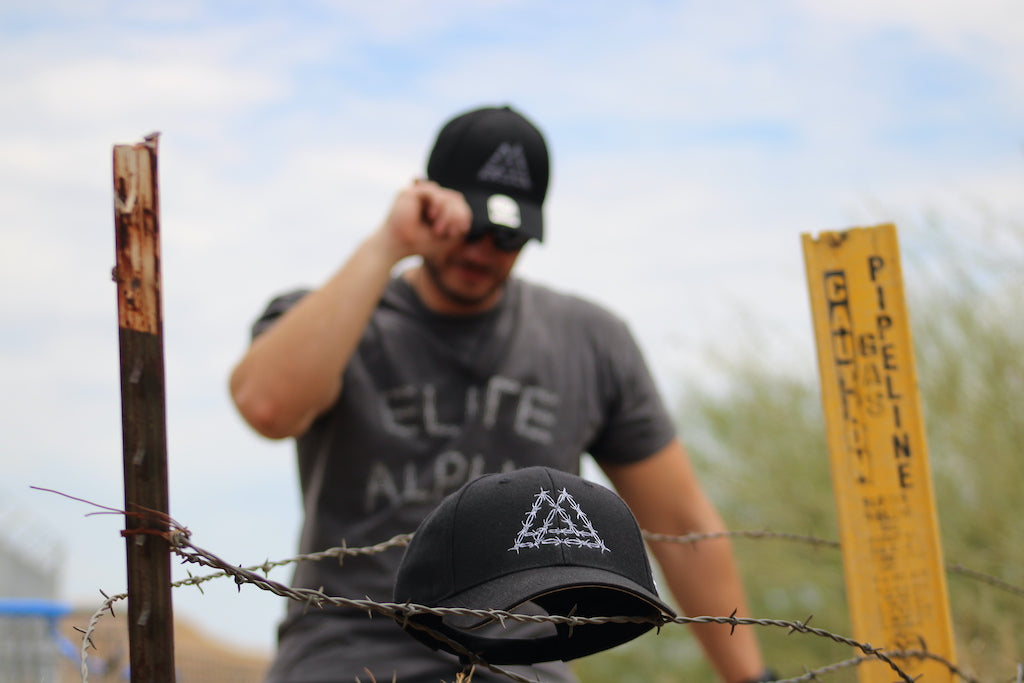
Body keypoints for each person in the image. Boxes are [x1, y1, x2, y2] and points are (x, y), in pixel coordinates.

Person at [229, 105, 771, 683]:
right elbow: (268, 407)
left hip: (525, 663)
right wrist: (389, 244)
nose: (482, 251)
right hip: (348, 657)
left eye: (508, 235)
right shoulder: (335, 318)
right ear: (426, 201)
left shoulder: (589, 341)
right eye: (470, 225)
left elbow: (682, 525)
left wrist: (749, 679)